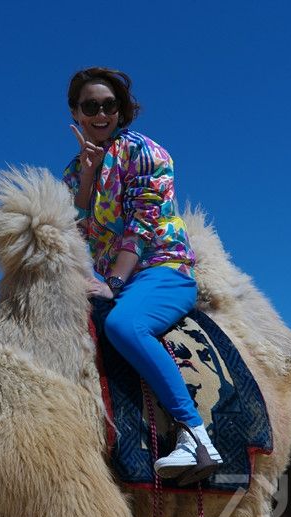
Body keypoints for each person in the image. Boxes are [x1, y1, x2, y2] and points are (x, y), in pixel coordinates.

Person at [63, 66, 222, 482]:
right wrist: (87, 177)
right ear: (76, 113)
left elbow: (141, 223)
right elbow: (74, 229)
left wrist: (113, 283)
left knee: (126, 325)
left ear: (122, 110)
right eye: (90, 106)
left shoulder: (146, 152)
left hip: (161, 270)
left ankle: (196, 436)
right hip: (103, 276)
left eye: (109, 106)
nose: (101, 114)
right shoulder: (72, 172)